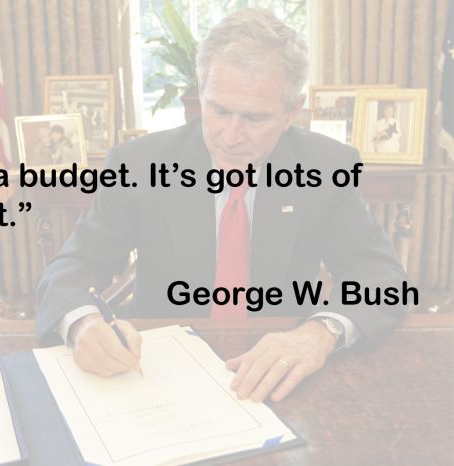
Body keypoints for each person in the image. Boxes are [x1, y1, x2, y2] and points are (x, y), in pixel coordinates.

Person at [36, 9, 407, 403]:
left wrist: (318, 334)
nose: (231, 136)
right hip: (156, 373)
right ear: (202, 92)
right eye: (218, 110)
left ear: (290, 112)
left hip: (279, 375)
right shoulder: (140, 165)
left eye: (254, 117)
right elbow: (71, 267)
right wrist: (83, 324)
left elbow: (381, 275)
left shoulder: (325, 166)